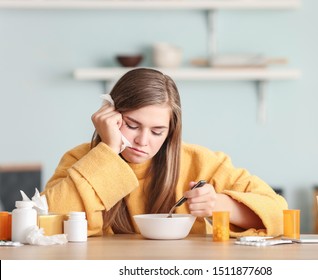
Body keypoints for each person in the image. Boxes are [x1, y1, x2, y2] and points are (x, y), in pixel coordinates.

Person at [42, 68, 287, 237]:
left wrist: (220, 205)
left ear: (171, 131)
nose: (142, 141)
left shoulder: (202, 162)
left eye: (157, 131)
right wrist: (108, 150)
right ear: (110, 117)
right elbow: (45, 224)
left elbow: (281, 214)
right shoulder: (80, 159)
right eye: (132, 125)